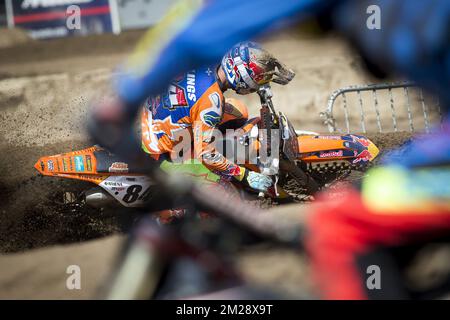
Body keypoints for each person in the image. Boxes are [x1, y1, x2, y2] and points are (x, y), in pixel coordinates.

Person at [139, 41, 294, 193]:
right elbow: (206, 155)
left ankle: (216, 144)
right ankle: (172, 214)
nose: (259, 83)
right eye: (258, 78)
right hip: (160, 154)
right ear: (241, 76)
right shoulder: (211, 102)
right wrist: (244, 175)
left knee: (240, 111)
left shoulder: (206, 62)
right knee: (228, 194)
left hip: (151, 116)